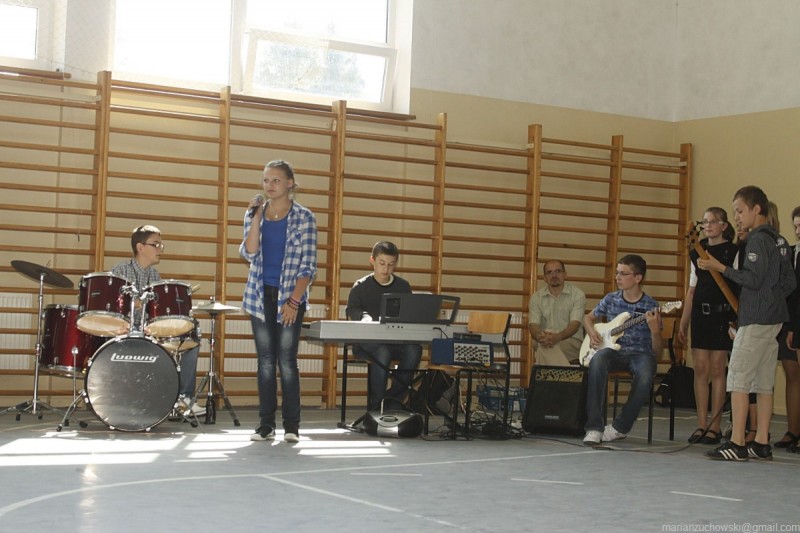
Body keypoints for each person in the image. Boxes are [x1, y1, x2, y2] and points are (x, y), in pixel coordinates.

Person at [698, 186, 796, 461]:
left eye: (740, 211)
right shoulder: (779, 240)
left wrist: (720, 268)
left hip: (755, 319)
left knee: (739, 379)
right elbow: (789, 282)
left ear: (756, 209)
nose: (737, 217)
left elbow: (752, 279)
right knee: (763, 383)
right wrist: (772, 299)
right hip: (774, 319)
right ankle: (761, 441)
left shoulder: (757, 240)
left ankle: (737, 442)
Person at [240, 160, 317, 443]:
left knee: (286, 361)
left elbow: (308, 267)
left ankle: (292, 426)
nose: (269, 185)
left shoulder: (304, 217)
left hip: (289, 297)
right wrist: (256, 217)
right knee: (265, 362)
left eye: (276, 180)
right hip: (260, 295)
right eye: (266, 180)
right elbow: (249, 253)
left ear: (290, 183)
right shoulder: (255, 213)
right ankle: (266, 424)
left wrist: (294, 302)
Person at [111, 225, 204, 417]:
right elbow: (113, 303)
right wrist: (137, 303)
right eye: (156, 244)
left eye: (161, 245)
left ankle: (184, 398)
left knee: (189, 341)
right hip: (126, 331)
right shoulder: (121, 270)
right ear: (140, 247)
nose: (160, 249)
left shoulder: (155, 276)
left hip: (150, 331)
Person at [582, 254, 662, 445]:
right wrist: (592, 333)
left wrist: (655, 332)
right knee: (597, 361)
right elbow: (588, 318)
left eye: (623, 274)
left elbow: (658, 353)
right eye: (617, 273)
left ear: (638, 278)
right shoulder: (611, 299)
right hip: (613, 351)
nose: (617, 277)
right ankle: (594, 427)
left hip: (641, 353)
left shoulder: (651, 305)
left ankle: (620, 427)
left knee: (646, 373)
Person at [678, 208, 738, 445]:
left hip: (722, 315)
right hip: (700, 316)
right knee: (701, 368)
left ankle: (715, 425)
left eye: (713, 222)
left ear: (724, 226)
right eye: (705, 222)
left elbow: (737, 285)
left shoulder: (733, 251)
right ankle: (701, 424)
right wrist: (684, 321)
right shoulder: (697, 250)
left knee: (718, 369)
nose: (708, 226)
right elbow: (692, 289)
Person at [345, 241, 422, 411]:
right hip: (366, 343)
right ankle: (376, 405)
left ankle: (393, 400)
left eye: (391, 264)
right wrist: (364, 317)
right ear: (372, 260)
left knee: (414, 349)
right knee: (382, 352)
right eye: (382, 263)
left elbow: (408, 313)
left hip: (395, 341)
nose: (386, 269)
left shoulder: (402, 286)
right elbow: (352, 309)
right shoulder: (361, 286)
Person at [528, 259, 586, 366]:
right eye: (549, 272)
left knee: (545, 349)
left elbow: (575, 325)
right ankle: (566, 375)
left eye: (558, 271)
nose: (554, 275)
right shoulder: (536, 298)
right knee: (544, 345)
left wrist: (558, 337)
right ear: (544, 278)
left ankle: (544, 376)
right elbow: (533, 325)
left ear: (565, 275)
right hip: (544, 341)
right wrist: (540, 336)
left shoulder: (577, 295)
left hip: (571, 341)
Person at [775, 205, 800, 452]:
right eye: (796, 226)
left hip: (797, 323)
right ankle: (793, 430)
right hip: (788, 321)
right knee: (792, 374)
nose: (798, 231)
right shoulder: (790, 252)